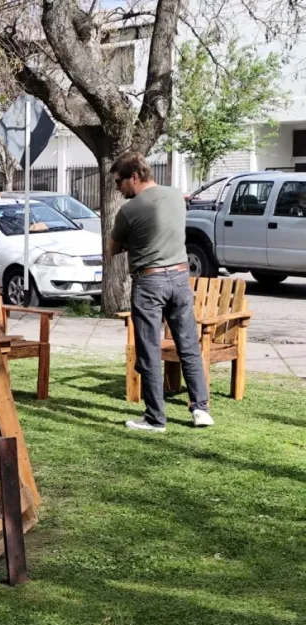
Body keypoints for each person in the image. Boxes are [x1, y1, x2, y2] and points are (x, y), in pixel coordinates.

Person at [108, 151, 214, 432]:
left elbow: (112, 249)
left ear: (134, 176)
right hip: (180, 278)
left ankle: (156, 418)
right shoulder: (176, 196)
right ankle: (201, 409)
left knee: (149, 350)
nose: (118, 189)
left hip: (149, 282)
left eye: (119, 182)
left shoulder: (129, 211)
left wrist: (134, 244)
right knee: (188, 345)